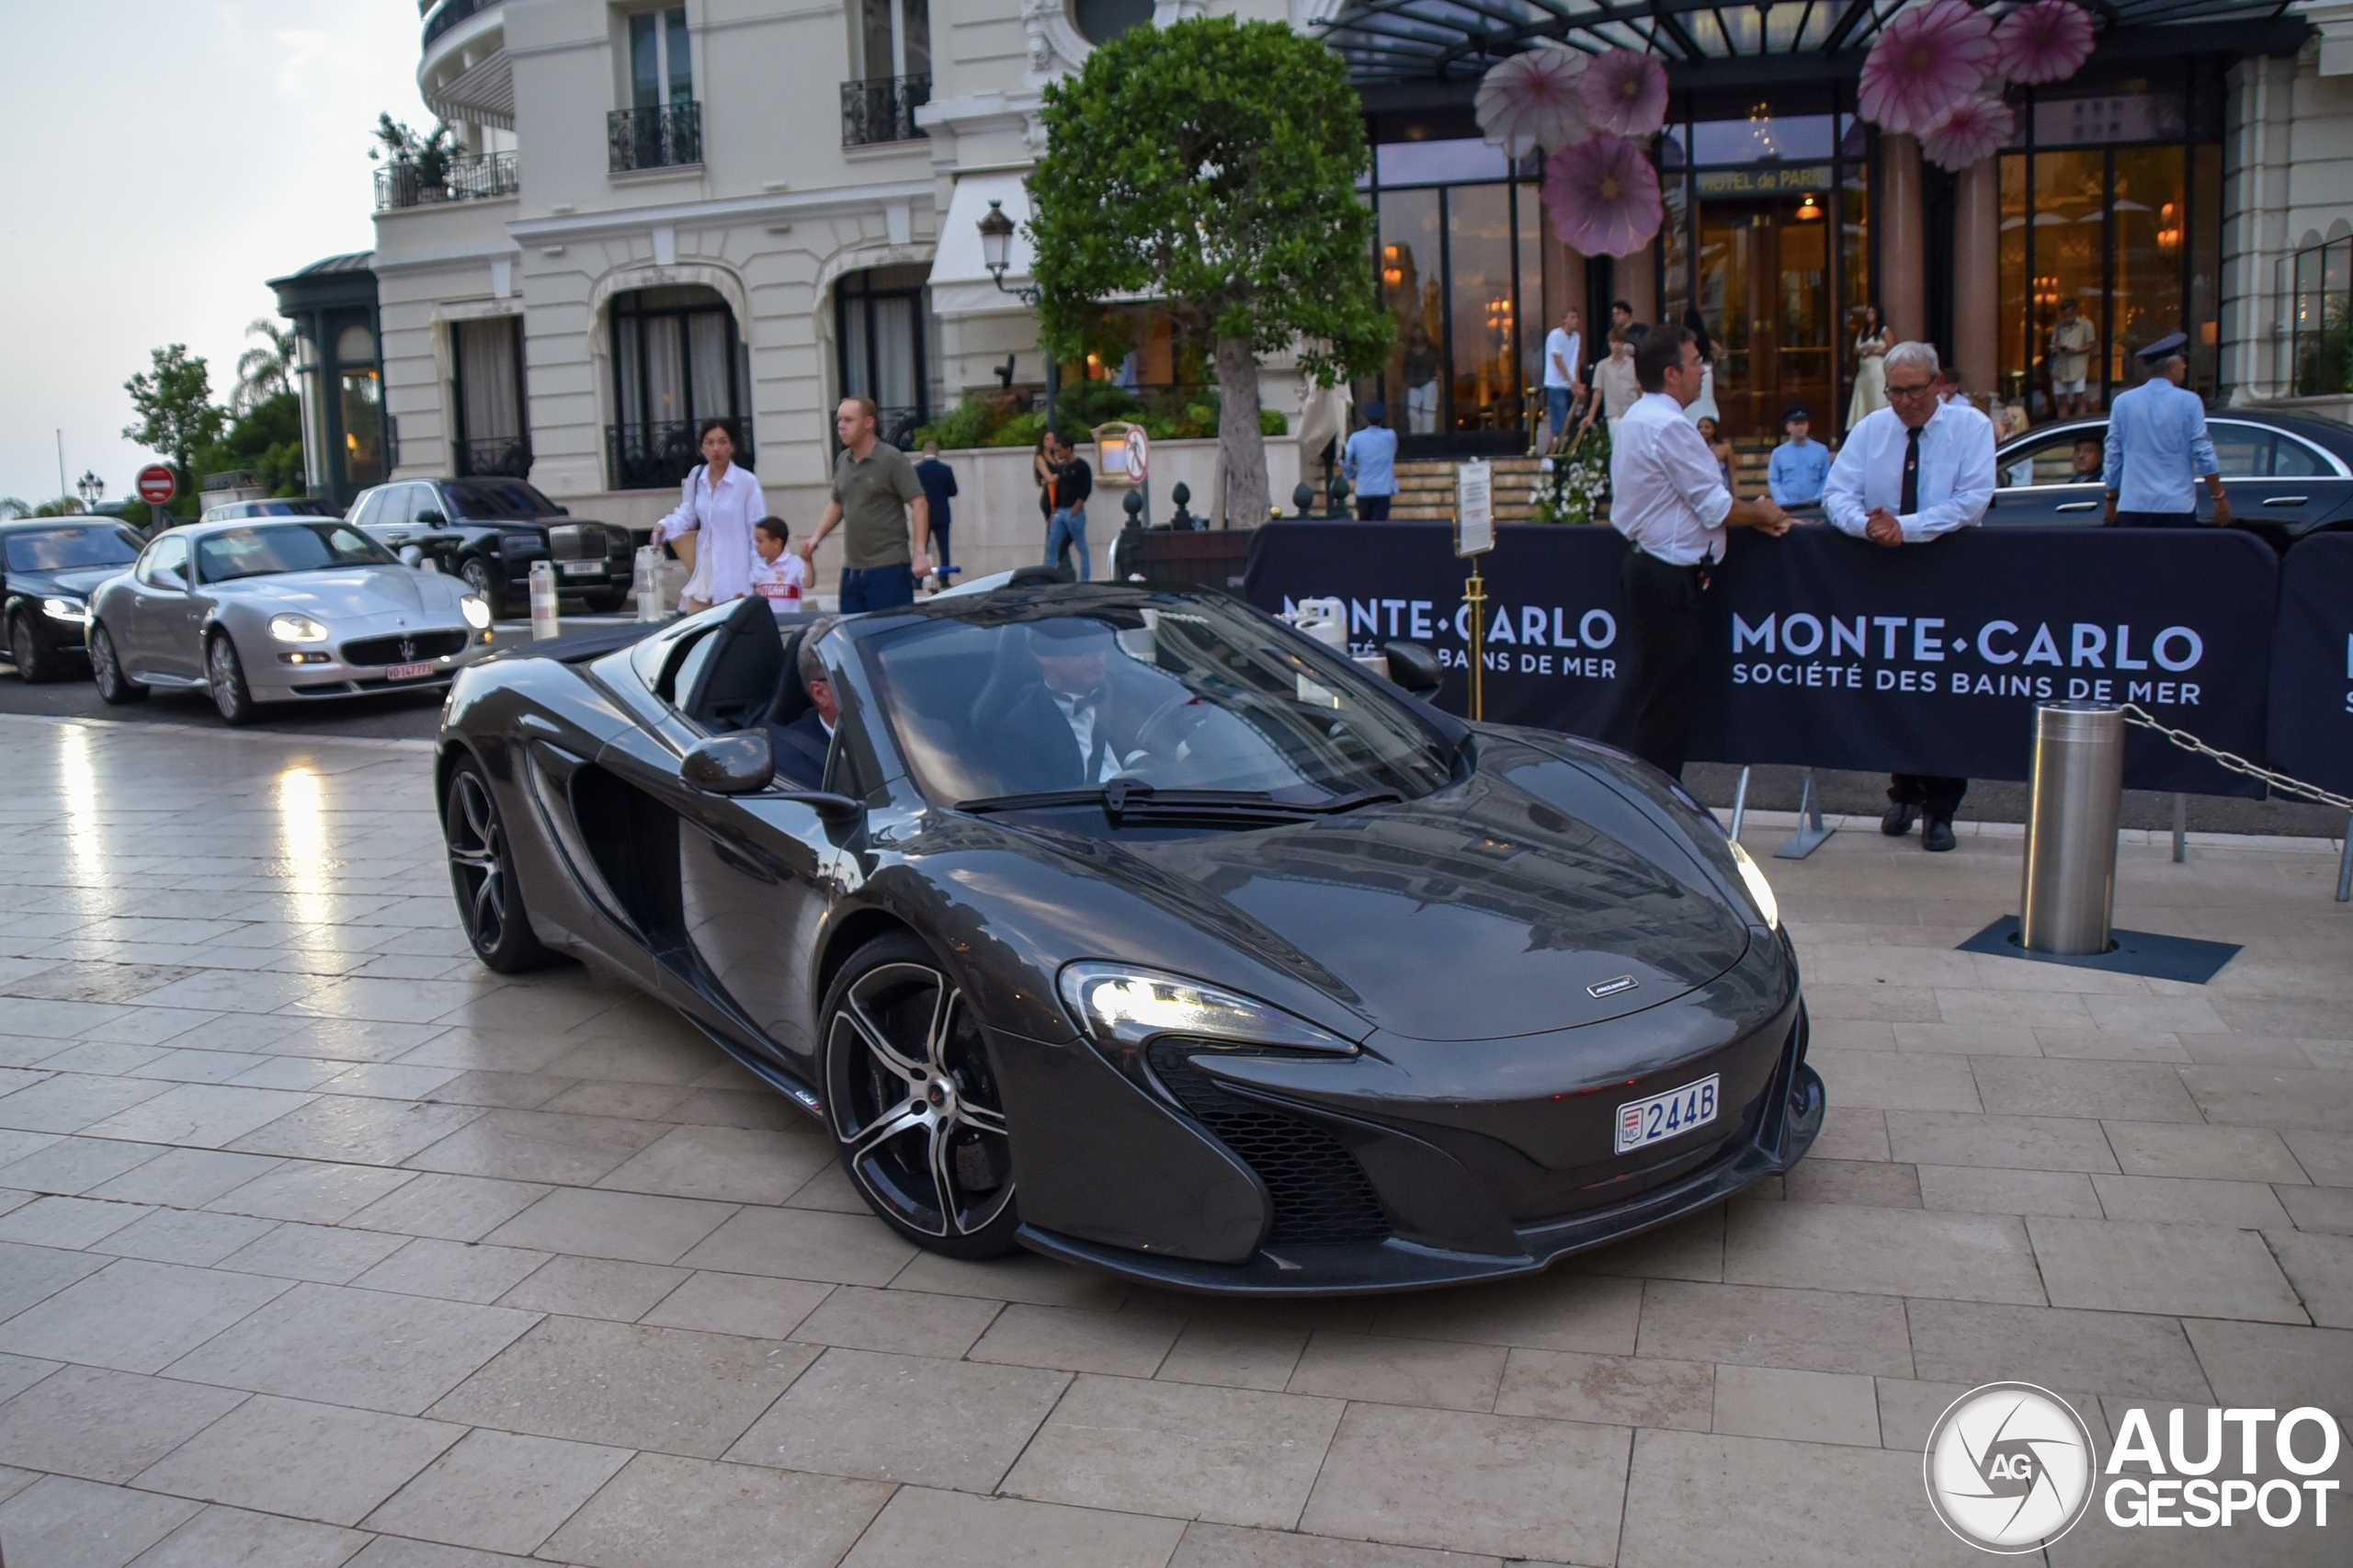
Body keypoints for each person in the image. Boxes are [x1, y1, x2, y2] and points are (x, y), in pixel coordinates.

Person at [1823, 340, 1996, 853]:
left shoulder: (1971, 427)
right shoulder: (1872, 430)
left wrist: (1909, 527)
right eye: (1894, 392)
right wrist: (1868, 526)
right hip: (1885, 574)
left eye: (1914, 391)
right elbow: (1837, 494)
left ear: (1938, 385)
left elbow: (1972, 499)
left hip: (1948, 574)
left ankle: (1941, 807)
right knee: (1895, 685)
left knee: (1944, 692)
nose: (1903, 402)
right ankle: (1901, 793)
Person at [1611, 324, 1791, 778]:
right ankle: (1655, 814)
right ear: (1672, 374)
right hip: (1667, 576)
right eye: (1695, 363)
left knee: (1662, 699)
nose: (1702, 371)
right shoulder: (1670, 425)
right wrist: (1764, 513)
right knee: (1665, 707)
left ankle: (1655, 806)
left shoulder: (1638, 418)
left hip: (1653, 568)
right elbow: (1716, 506)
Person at [983, 619, 1154, 788]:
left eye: (1100, 647)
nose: (1097, 657)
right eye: (1080, 650)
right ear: (1044, 656)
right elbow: (1042, 807)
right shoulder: (1019, 729)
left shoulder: (1135, 695)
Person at [799, 397, 930, 612]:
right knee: (852, 637)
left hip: (888, 568)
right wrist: (815, 538)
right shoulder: (843, 460)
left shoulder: (892, 459)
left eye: (848, 420)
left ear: (869, 423)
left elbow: (919, 503)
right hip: (852, 570)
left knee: (888, 637)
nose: (841, 425)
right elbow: (837, 503)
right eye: (839, 420)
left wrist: (919, 553)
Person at [2103, 332, 2230, 529]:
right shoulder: (2189, 402)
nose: (2185, 367)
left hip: (2134, 505)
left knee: (2136, 561)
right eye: (2182, 362)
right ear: (2172, 367)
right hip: (2177, 506)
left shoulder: (2123, 403)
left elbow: (2113, 455)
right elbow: (2203, 453)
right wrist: (2218, 495)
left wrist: (2111, 498)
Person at [654, 417, 766, 615]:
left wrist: (757, 577)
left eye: (722, 442)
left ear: (732, 446)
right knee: (696, 633)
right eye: (709, 442)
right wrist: (665, 526)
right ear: (702, 447)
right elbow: (688, 513)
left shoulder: (746, 483)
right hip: (704, 570)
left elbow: (757, 531)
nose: (716, 448)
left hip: (736, 572)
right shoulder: (697, 477)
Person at [772, 616, 840, 788]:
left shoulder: (911, 723)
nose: (885, 685)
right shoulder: (789, 765)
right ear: (820, 693)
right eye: (863, 675)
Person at [1042, 430, 1095, 580]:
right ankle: (1049, 577)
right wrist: (1053, 512)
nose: (1057, 453)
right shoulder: (1063, 468)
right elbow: (1059, 490)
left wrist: (1077, 507)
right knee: (1052, 545)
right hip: (1061, 512)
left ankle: (1084, 579)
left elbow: (1086, 488)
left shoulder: (1081, 466)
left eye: (1059, 450)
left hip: (1073, 512)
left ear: (1068, 449)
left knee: (1081, 547)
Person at [1342, 402, 1399, 520]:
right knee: (1380, 527)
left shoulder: (1356, 437)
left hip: (1363, 489)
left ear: (1365, 418)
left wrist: (1351, 474)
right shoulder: (1390, 436)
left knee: (1364, 527)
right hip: (1383, 489)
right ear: (1383, 418)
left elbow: (1345, 460)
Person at [912, 439, 959, 578]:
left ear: (924, 452)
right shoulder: (946, 469)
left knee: (921, 548)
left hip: (923, 515)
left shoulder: (916, 470)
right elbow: (953, 491)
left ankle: (918, 580)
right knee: (944, 547)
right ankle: (944, 579)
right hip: (942, 514)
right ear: (937, 453)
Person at [1767, 406, 1830, 507]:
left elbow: (1826, 477)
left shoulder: (1821, 451)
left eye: (1803, 423)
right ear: (1788, 427)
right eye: (1796, 424)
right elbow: (1774, 480)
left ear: (1808, 425)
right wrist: (1783, 501)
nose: (1800, 427)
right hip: (1788, 507)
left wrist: (1818, 498)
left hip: (1814, 506)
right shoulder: (1778, 453)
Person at [1586, 329, 1641, 441]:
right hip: (1613, 413)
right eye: (1613, 342)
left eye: (1619, 342)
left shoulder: (1633, 364)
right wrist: (1591, 416)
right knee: (1616, 444)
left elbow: (1640, 389)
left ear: (1624, 344)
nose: (1616, 346)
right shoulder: (1602, 366)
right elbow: (1598, 392)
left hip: (1632, 411)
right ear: (1609, 344)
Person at [2048, 299, 2097, 419]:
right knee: (2062, 401)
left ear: (2075, 312)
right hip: (2060, 368)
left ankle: (2080, 426)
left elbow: (2092, 344)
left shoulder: (2086, 325)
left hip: (2077, 367)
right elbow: (2053, 343)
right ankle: (2062, 428)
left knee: (2078, 398)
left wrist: (2076, 351)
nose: (2067, 318)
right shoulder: (2059, 326)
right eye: (2064, 315)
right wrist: (2055, 348)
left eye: (2069, 314)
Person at [1542, 307, 1585, 449]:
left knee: (1569, 422)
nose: (1575, 320)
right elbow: (1558, 360)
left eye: (1577, 317)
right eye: (1572, 317)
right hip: (1556, 385)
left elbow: (1575, 361)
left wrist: (1577, 383)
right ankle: (1554, 454)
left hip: (1569, 385)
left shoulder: (1577, 337)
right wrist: (1572, 382)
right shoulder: (1555, 335)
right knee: (1560, 424)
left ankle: (1557, 454)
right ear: (1564, 320)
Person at [749, 517, 808, 617]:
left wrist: (808, 562)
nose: (756, 545)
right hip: (765, 624)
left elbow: (808, 583)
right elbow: (753, 594)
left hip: (788, 624)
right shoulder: (757, 566)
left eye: (760, 541)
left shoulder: (794, 563)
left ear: (776, 543)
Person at [1849, 304, 1890, 426]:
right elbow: (1854, 350)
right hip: (1864, 372)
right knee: (1863, 400)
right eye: (1867, 313)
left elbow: (1891, 350)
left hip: (1877, 370)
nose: (1869, 316)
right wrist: (1861, 351)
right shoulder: (1863, 331)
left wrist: (1874, 351)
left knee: (1877, 398)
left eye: (1872, 313)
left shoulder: (1884, 331)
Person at [1681, 310, 1721, 428]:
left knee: (1694, 399)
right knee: (1706, 398)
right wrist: (1713, 363)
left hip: (1693, 368)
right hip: (1706, 368)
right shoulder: (1704, 336)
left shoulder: (1687, 339)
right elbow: (1718, 350)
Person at [1402, 324, 1440, 435]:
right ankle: (1416, 436)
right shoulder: (1409, 352)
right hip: (1413, 384)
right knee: (1412, 412)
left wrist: (1440, 377)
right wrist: (1405, 384)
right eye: (1415, 333)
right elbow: (1405, 370)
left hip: (1429, 381)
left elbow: (1441, 364)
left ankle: (1428, 436)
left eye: (1420, 332)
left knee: (1429, 412)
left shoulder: (1432, 350)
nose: (1418, 335)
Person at [1697, 417, 1736, 494]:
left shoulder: (1725, 448)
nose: (1702, 430)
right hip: (1703, 492)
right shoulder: (1694, 449)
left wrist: (1737, 496)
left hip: (1722, 490)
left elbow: (1733, 474)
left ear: (1714, 430)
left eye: (1707, 427)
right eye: (1700, 427)